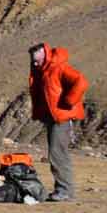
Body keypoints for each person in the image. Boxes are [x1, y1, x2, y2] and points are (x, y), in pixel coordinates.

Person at [29, 43, 88, 201]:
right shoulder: (43, 71)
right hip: (53, 118)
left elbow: (81, 81)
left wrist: (69, 101)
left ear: (45, 55)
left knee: (58, 154)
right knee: (56, 153)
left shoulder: (59, 67)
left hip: (62, 117)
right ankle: (62, 190)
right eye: (33, 61)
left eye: (37, 60)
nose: (35, 64)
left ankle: (65, 191)